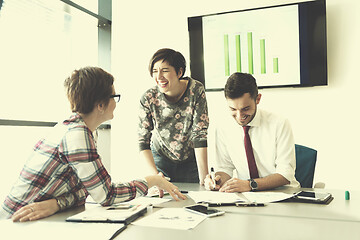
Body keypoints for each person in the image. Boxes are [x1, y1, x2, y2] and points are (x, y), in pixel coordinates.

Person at [0, 66, 186, 222]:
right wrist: (151, 180)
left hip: (36, 219)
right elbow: (106, 196)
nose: (116, 103)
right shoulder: (77, 135)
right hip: (15, 222)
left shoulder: (79, 129)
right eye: (114, 97)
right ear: (100, 105)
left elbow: (87, 190)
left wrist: (57, 203)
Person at [205, 72, 299, 192]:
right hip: (247, 197)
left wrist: (250, 185)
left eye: (246, 109)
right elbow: (225, 168)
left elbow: (285, 175)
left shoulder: (280, 123)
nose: (239, 116)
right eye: (233, 109)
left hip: (283, 193)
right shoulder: (222, 127)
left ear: (258, 99)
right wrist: (216, 181)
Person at [138, 48, 209, 187]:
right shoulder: (148, 97)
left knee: (194, 199)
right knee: (162, 201)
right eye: (154, 71)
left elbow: (200, 134)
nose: (159, 76)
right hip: (160, 157)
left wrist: (205, 178)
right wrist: (156, 175)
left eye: (165, 70)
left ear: (180, 72)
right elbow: (143, 140)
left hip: (190, 159)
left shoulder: (196, 90)